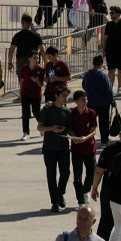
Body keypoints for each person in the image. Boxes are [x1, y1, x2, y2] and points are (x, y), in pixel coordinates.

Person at [38, 84, 75, 212]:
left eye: (67, 96)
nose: (65, 98)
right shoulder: (47, 109)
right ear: (56, 96)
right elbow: (40, 127)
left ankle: (60, 193)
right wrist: (51, 129)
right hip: (49, 148)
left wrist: (77, 138)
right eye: (63, 96)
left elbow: (69, 129)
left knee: (65, 173)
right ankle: (55, 202)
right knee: (51, 175)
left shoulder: (67, 112)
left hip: (63, 147)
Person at [69, 90, 100, 208]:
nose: (85, 102)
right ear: (76, 101)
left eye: (86, 99)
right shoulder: (71, 113)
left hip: (89, 148)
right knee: (77, 176)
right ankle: (80, 200)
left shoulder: (91, 113)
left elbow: (93, 130)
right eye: (82, 100)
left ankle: (85, 190)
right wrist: (75, 137)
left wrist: (85, 138)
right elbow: (69, 128)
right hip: (76, 149)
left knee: (91, 173)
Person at [83, 55, 116, 145]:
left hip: (91, 102)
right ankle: (104, 139)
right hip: (103, 103)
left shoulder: (87, 75)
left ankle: (89, 138)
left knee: (90, 122)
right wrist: (112, 101)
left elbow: (84, 86)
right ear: (101, 64)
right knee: (104, 122)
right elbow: (109, 90)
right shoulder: (103, 76)